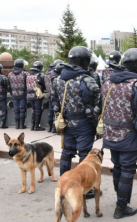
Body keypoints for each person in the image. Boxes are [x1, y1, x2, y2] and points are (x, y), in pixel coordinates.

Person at [102, 48, 137, 219]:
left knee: (117, 167)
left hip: (110, 133)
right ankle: (121, 207)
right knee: (128, 170)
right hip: (128, 135)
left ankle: (120, 199)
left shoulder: (108, 81)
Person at [53, 46, 101, 181]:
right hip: (83, 122)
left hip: (66, 122)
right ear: (85, 61)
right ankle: (84, 186)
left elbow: (55, 101)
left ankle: (63, 182)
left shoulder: (58, 79)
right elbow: (95, 101)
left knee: (67, 152)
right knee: (84, 154)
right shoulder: (86, 79)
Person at [8, 59, 29, 129]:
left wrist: (11, 92)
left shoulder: (10, 74)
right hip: (23, 93)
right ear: (22, 65)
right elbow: (28, 84)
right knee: (22, 109)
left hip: (14, 94)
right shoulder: (25, 73)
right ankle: (21, 125)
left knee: (16, 109)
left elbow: (8, 85)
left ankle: (17, 125)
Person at [44, 59, 63, 132]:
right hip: (56, 96)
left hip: (49, 95)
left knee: (51, 111)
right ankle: (54, 128)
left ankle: (50, 127)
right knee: (56, 113)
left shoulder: (47, 73)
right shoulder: (56, 76)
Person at [27, 61, 46, 131]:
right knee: (38, 110)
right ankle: (36, 126)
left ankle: (32, 126)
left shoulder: (28, 75)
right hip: (37, 95)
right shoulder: (40, 75)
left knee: (34, 110)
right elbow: (43, 84)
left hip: (29, 95)